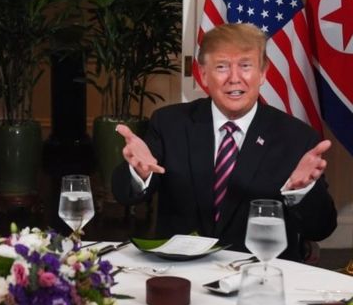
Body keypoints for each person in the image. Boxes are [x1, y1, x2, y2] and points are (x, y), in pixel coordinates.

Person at [112, 23, 337, 261]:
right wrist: (138, 173)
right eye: (221, 67)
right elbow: (124, 194)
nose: (234, 78)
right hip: (182, 274)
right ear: (204, 75)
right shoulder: (169, 123)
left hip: (260, 276)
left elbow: (321, 228)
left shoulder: (297, 138)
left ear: (263, 73)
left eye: (245, 66)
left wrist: (301, 192)